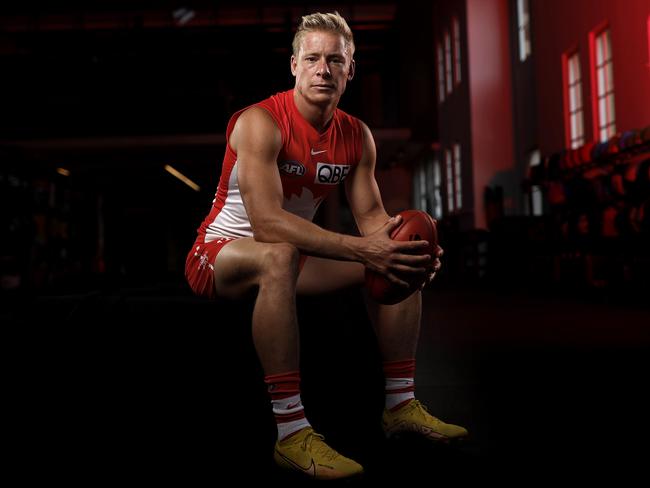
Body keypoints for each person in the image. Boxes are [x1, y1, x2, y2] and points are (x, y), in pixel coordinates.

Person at [185, 11, 467, 480]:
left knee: (399, 250)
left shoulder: (356, 135)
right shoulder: (260, 122)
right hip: (221, 255)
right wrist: (362, 250)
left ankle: (400, 405)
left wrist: (409, 251)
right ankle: (291, 433)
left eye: (335, 60)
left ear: (350, 69)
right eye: (312, 58)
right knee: (279, 253)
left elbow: (374, 221)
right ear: (294, 66)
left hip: (292, 259)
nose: (323, 69)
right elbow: (268, 223)